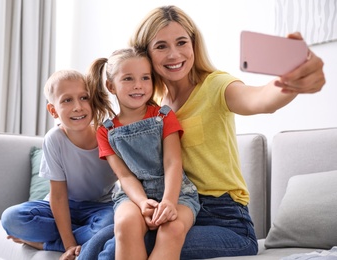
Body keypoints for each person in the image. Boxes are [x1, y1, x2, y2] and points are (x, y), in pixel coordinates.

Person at [78, 5, 325, 260]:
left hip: (225, 219)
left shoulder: (215, 85)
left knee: (111, 251)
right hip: (169, 207)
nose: (174, 54)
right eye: (161, 46)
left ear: (194, 45)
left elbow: (259, 99)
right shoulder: (151, 106)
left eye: (182, 42)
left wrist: (289, 83)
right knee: (104, 242)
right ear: (145, 54)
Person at [90, 47, 200, 259]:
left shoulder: (164, 116)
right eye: (128, 79)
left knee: (173, 230)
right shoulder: (105, 131)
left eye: (145, 78)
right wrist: (141, 202)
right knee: (125, 224)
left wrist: (168, 201)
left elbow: (172, 163)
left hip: (177, 192)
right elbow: (125, 176)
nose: (138, 85)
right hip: (132, 196)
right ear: (111, 86)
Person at [1, 70, 118, 260]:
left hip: (100, 206)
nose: (78, 107)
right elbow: (58, 196)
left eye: (83, 98)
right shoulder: (54, 139)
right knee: (11, 218)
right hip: (63, 206)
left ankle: (43, 243)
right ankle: (79, 240)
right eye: (67, 100)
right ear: (53, 110)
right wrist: (69, 244)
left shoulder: (107, 134)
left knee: (112, 223)